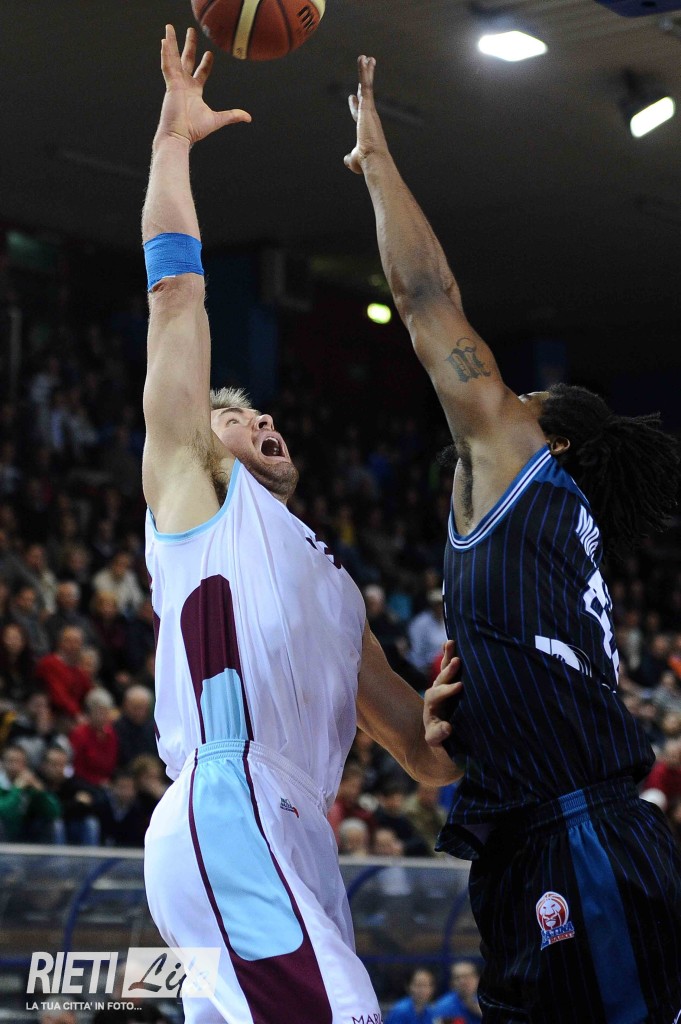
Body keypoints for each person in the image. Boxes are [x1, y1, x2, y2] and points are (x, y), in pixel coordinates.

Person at [347, 55, 681, 1022]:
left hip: (580, 844)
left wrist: (376, 161)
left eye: (524, 397)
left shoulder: (527, 470)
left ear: (552, 440)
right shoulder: (540, 536)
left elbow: (426, 297)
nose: (499, 397)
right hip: (538, 846)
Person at [141, 26, 460, 1024]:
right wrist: (172, 144)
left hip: (296, 830)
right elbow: (175, 297)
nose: (262, 418)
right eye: (238, 416)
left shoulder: (332, 583)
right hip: (227, 799)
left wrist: (480, 699)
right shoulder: (197, 498)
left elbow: (422, 750)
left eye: (265, 414)